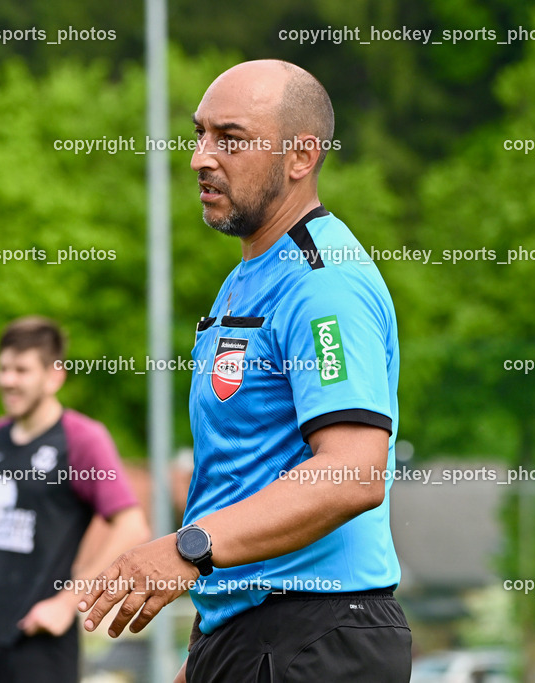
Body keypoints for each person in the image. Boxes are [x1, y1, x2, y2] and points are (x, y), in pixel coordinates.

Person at [78, 60, 412, 682]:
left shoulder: (324, 284)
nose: (201, 158)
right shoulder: (246, 278)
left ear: (300, 157)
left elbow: (353, 472)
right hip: (251, 637)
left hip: (318, 638)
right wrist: (209, 644)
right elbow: (245, 476)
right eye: (199, 134)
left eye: (230, 139)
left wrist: (186, 550)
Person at [0, 316, 150, 683]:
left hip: (39, 645)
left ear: (54, 376)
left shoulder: (83, 439)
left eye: (22, 370)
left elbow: (132, 526)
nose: (7, 380)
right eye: (3, 368)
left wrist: (67, 602)